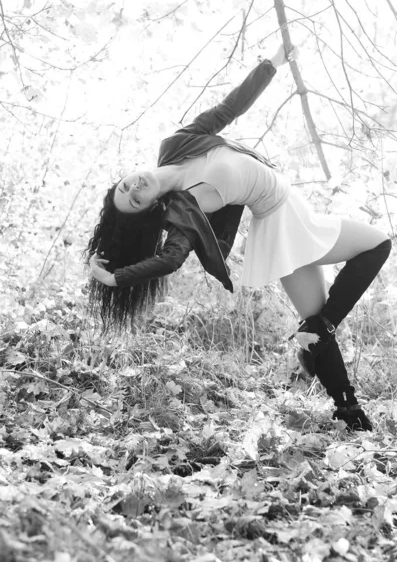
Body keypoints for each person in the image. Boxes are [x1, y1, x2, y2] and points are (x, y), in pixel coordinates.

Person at [87, 44, 391, 432]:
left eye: (127, 186)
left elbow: (228, 109)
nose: (135, 187)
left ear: (127, 174)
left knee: (318, 328)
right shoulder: (182, 208)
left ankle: (323, 355)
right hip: (283, 226)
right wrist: (115, 278)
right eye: (135, 199)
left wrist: (272, 64)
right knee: (377, 244)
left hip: (296, 210)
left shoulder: (176, 147)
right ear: (148, 208)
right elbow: (170, 259)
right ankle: (350, 411)